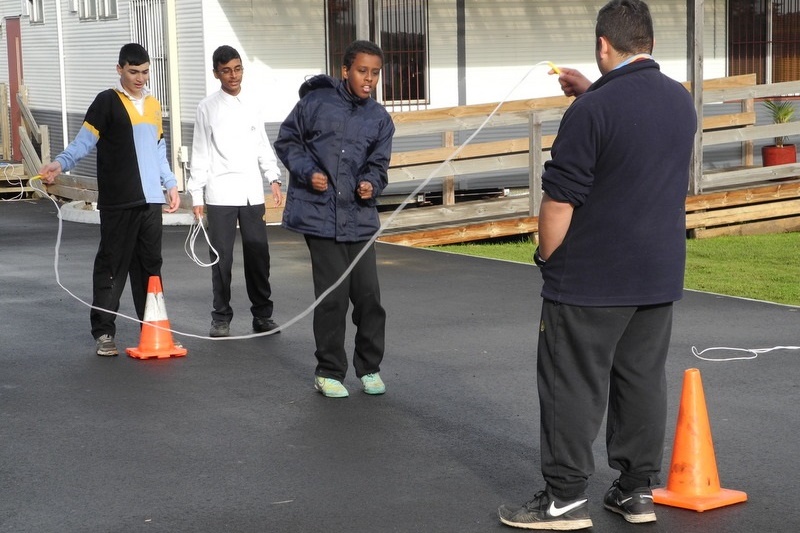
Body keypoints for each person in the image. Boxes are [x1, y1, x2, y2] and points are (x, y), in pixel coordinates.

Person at [498, 0, 697, 529]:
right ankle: (635, 492)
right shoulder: (681, 101)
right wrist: (594, 90)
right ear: (649, 43)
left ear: (603, 45)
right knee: (640, 381)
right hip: (656, 272)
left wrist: (547, 257)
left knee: (571, 384)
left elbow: (559, 200)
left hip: (591, 276)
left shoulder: (590, 113)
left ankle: (563, 498)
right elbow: (632, 133)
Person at [39, 43, 181, 357]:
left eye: (144, 72)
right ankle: (104, 332)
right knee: (112, 266)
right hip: (119, 200)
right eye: (133, 72)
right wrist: (60, 164)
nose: (140, 78)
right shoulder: (107, 102)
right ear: (119, 70)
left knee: (150, 268)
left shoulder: (154, 105)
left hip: (151, 201)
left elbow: (158, 150)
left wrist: (170, 184)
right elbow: (84, 141)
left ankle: (153, 330)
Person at [274, 40, 395, 398]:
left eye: (375, 73)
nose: (369, 79)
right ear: (345, 70)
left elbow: (379, 166)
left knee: (369, 295)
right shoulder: (315, 103)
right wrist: (308, 171)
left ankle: (369, 368)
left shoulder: (380, 119)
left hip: (359, 218)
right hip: (320, 217)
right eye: (362, 71)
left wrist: (371, 183)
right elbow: (287, 141)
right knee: (333, 297)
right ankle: (329, 371)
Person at [187, 45, 282, 338]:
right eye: (226, 70)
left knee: (258, 254)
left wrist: (273, 178)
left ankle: (262, 315)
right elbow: (200, 153)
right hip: (219, 193)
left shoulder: (253, 105)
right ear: (216, 73)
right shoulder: (207, 108)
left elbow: (262, 145)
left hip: (251, 192)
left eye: (237, 69)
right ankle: (221, 316)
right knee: (221, 258)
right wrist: (197, 195)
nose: (233, 75)